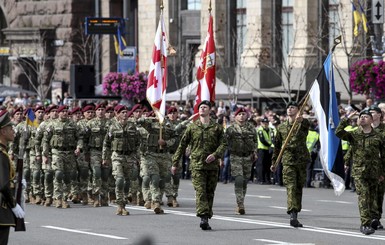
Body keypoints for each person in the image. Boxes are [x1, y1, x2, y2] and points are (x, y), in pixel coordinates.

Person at [172, 100, 227, 230]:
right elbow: (182, 145)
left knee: (210, 192)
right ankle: (203, 217)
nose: (202, 109)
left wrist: (216, 154)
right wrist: (175, 163)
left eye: (205, 107)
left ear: (210, 110)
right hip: (197, 165)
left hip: (212, 166)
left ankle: (206, 217)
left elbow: (224, 144)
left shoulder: (217, 127)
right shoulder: (192, 127)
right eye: (200, 107)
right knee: (201, 191)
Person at [336, 109, 385, 235]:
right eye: (361, 116)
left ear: (371, 120)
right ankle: (365, 224)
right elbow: (338, 132)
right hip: (359, 172)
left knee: (371, 199)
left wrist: (382, 173)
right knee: (363, 197)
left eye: (366, 116)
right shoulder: (354, 135)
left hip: (374, 172)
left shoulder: (379, 136)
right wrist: (347, 118)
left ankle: (373, 219)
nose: (362, 118)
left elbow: (384, 156)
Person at [271, 101, 310, 228]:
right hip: (288, 161)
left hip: (301, 160)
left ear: (298, 110)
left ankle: (296, 213)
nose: (289, 109)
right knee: (291, 187)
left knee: (299, 188)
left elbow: (306, 128)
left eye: (293, 107)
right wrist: (274, 162)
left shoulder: (303, 124)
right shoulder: (281, 127)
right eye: (288, 107)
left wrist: (300, 120)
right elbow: (277, 146)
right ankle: (292, 212)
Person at [224, 107, 258, 214]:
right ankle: (240, 204)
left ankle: (241, 201)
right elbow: (224, 143)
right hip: (236, 156)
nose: (241, 116)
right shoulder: (231, 129)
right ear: (235, 116)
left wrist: (255, 152)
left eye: (243, 114)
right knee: (238, 179)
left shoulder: (251, 128)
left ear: (247, 116)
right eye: (239, 114)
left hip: (248, 157)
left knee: (244, 181)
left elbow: (255, 141)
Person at [0, 109, 25, 244]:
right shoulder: (1, 154)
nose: (13, 131)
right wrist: (14, 205)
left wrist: (16, 182)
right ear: (3, 132)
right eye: (10, 128)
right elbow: (3, 184)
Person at [369, 105, 385, 230]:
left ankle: (376, 218)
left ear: (379, 115)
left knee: (378, 194)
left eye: (372, 112)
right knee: (367, 194)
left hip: (381, 167)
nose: (369, 114)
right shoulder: (365, 128)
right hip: (366, 167)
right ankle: (368, 218)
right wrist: (347, 161)